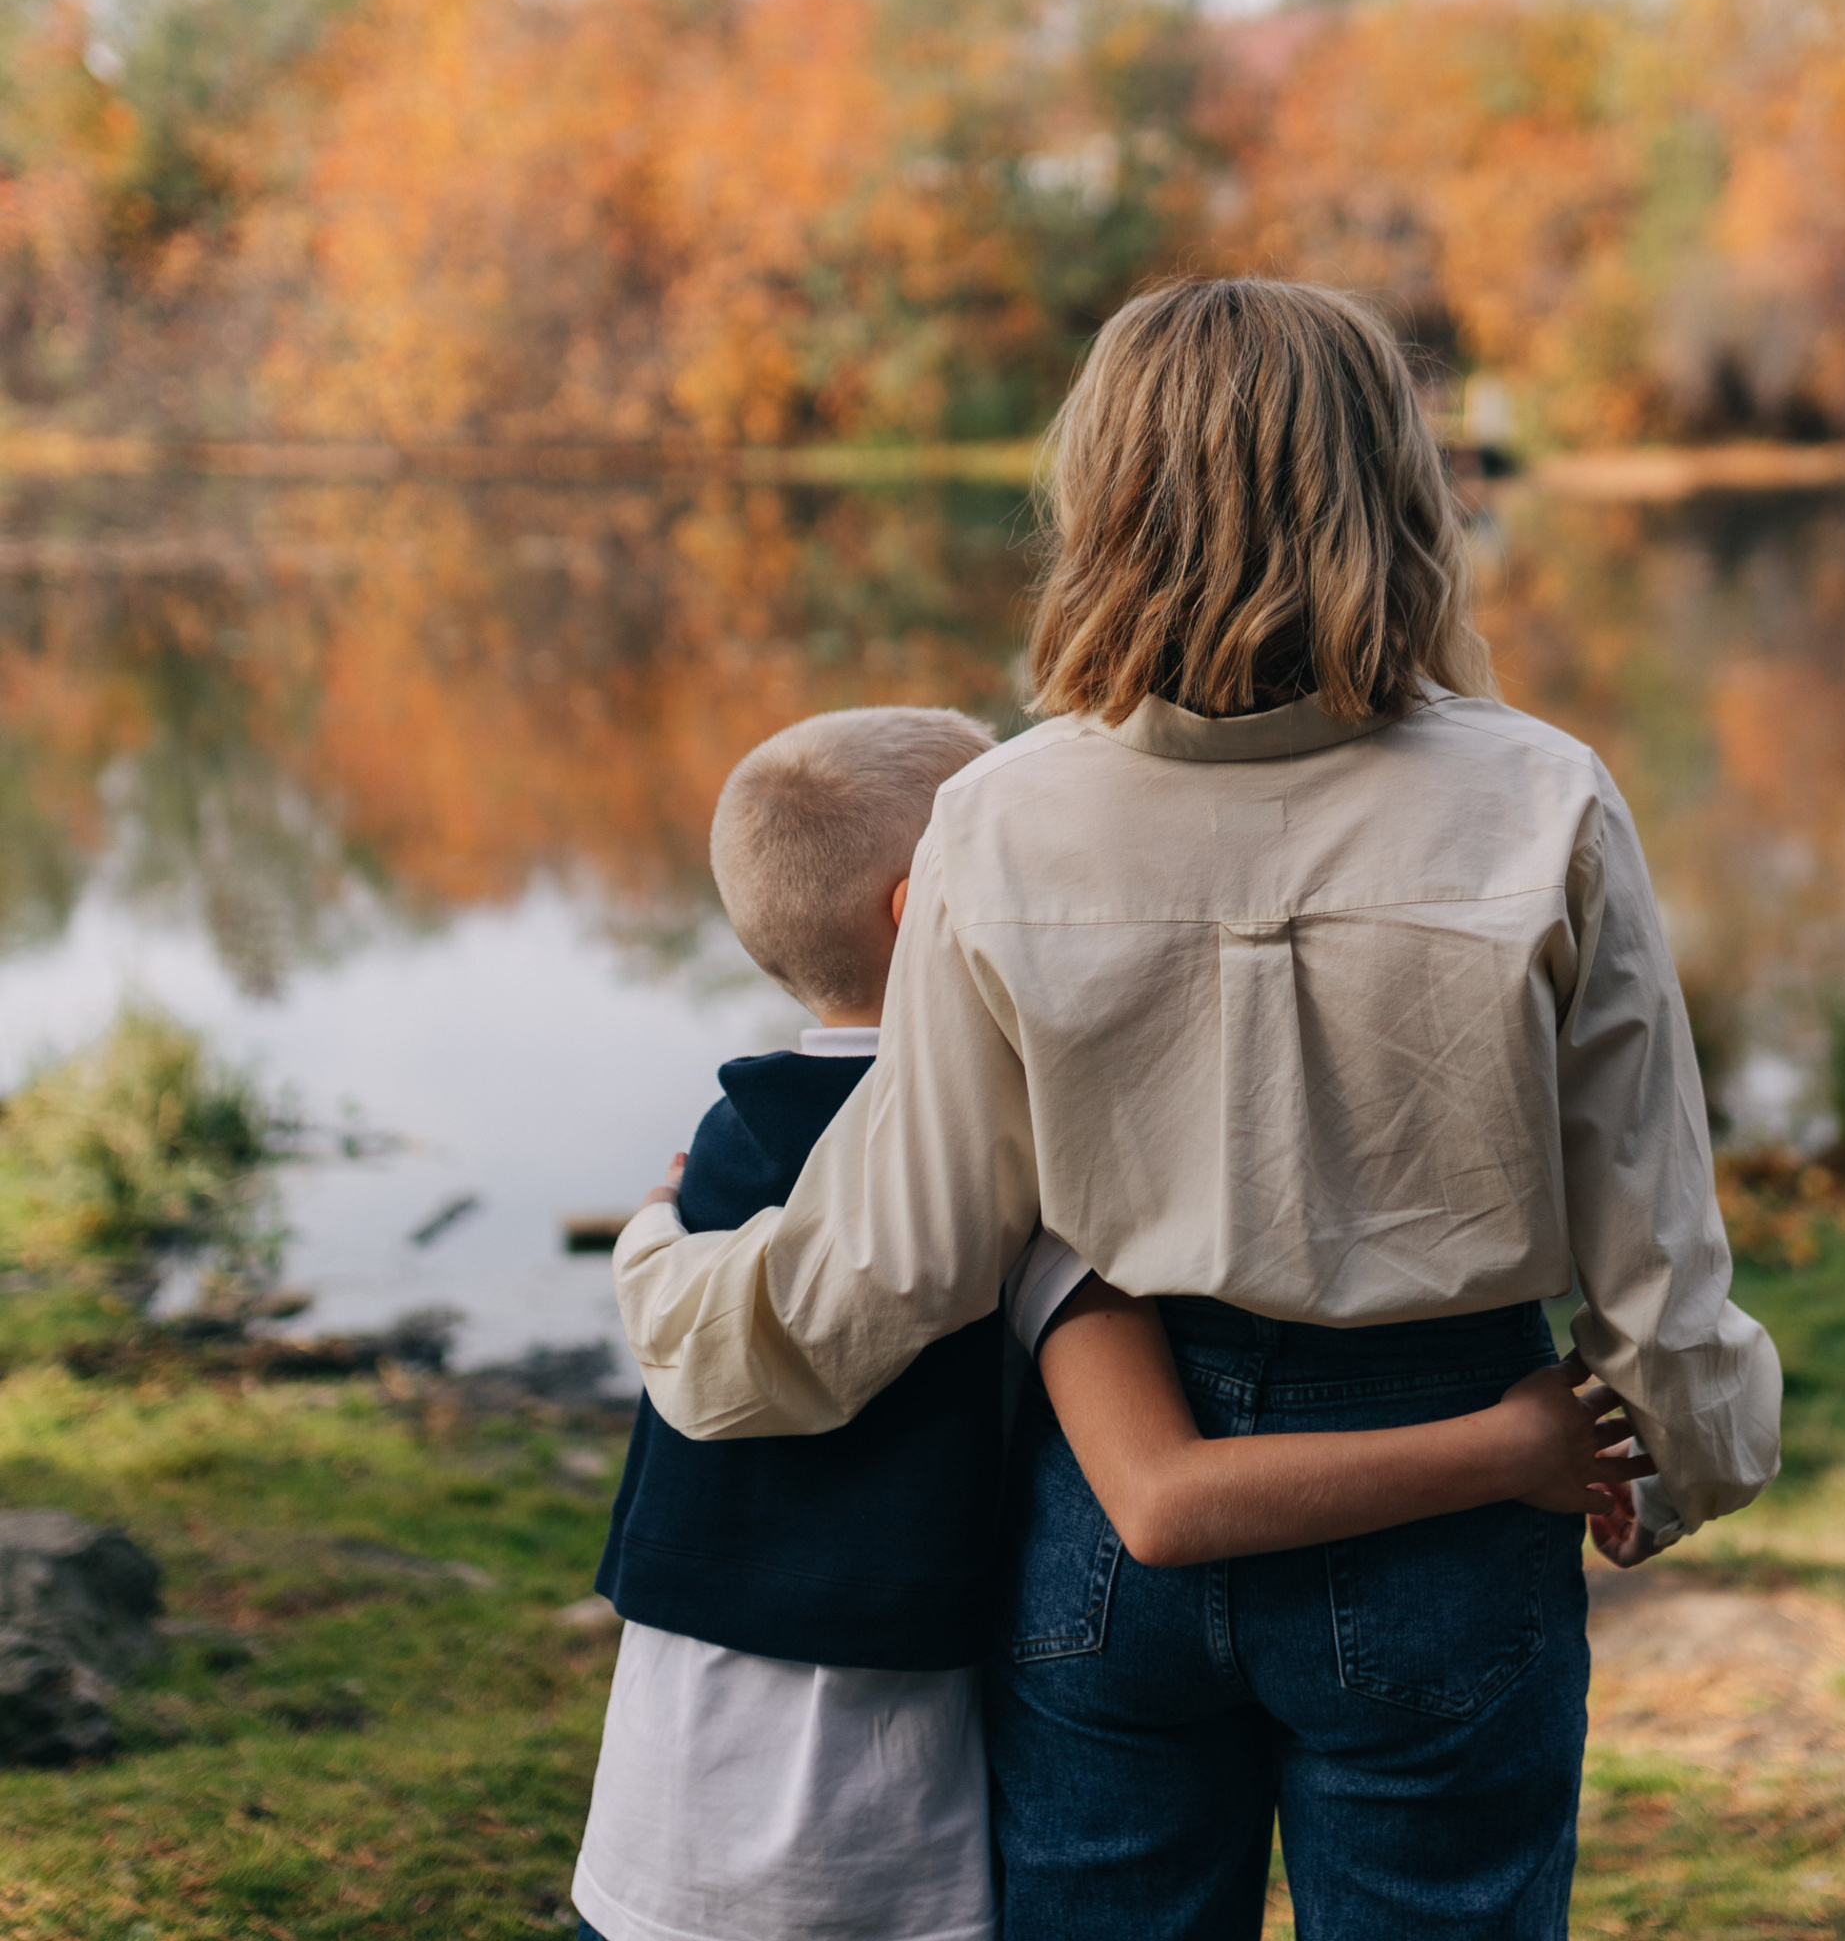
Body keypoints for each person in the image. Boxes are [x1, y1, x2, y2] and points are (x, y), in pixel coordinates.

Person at [617, 279, 1783, 1939]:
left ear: (1103, 494)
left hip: (1116, 1504)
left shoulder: (1001, 818)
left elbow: (905, 1256)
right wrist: (1669, 1459)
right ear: (1395, 483)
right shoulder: (1544, 797)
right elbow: (1656, 1245)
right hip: (1453, 1493)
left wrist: (674, 1284)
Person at [576, 703, 1651, 1941]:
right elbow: (1162, 1498)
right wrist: (1513, 1447)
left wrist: (645, 1242)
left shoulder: (717, 1152)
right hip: (862, 1834)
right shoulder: (1009, 1177)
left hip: (664, 1797)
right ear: (930, 900)